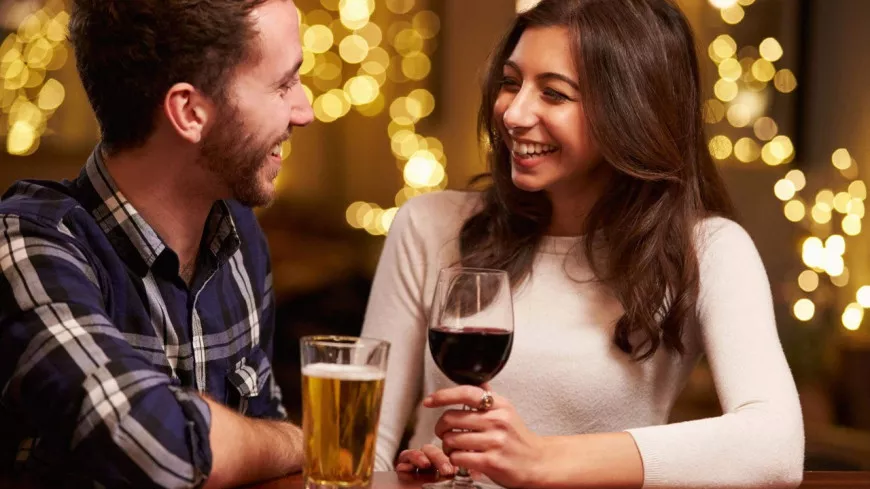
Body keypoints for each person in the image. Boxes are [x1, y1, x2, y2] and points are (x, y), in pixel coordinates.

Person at [360, 0, 804, 487]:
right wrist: (407, 477)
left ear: (631, 110)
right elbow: (360, 449)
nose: (513, 112)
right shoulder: (429, 225)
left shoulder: (709, 249)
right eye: (511, 82)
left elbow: (775, 445)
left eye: (553, 93)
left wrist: (540, 462)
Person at [0, 0, 313, 487]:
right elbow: (156, 449)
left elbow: (261, 451)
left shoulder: (240, 235)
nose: (305, 110)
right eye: (284, 84)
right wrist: (303, 441)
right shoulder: (27, 245)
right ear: (189, 112)